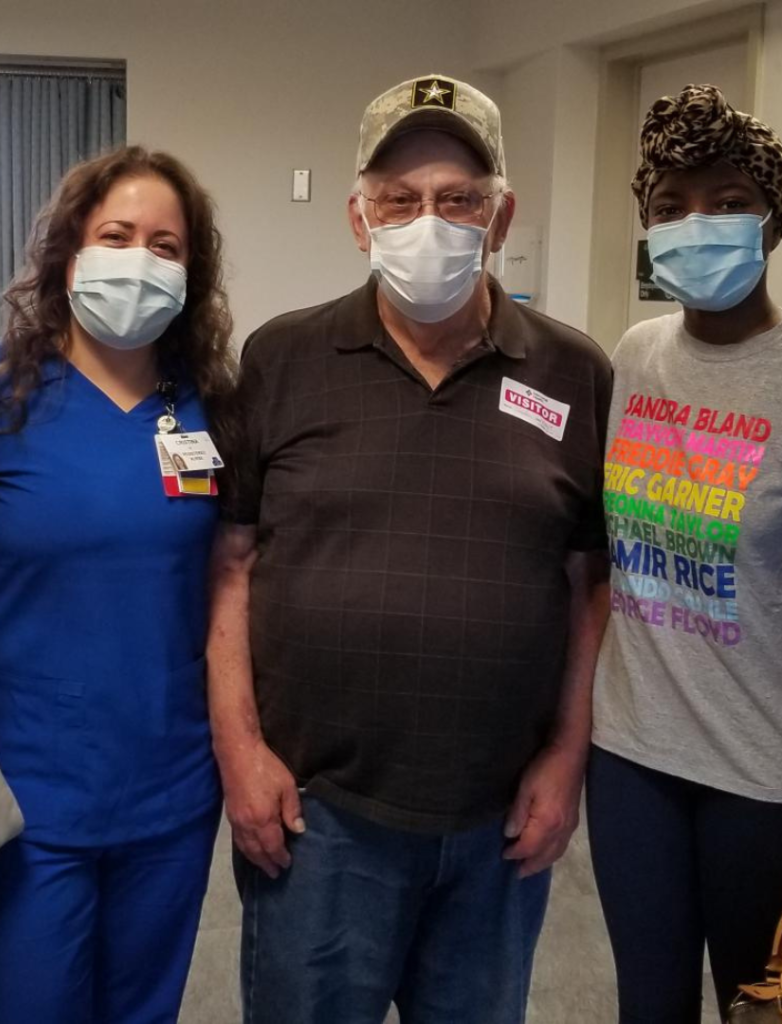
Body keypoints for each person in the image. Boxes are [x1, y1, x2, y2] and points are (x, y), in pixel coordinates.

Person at [208, 73, 612, 1024]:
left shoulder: (574, 370)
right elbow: (232, 564)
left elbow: (588, 583)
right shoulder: (283, 358)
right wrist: (240, 751)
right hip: (318, 812)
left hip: (499, 818)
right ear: (360, 219)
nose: (428, 221)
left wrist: (568, 757)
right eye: (400, 199)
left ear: (501, 216)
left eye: (459, 199)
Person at [0, 145, 235, 1024]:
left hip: (171, 783)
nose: (140, 260)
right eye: (116, 235)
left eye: (166, 246)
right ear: (69, 252)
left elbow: (232, 579)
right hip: (25, 788)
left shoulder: (211, 405)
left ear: (191, 272)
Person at [588, 83, 782, 1023]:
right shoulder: (634, 355)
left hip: (763, 773)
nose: (697, 224)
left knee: (756, 1010)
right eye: (671, 207)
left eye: (729, 201)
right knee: (649, 1007)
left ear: (773, 220)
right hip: (632, 755)